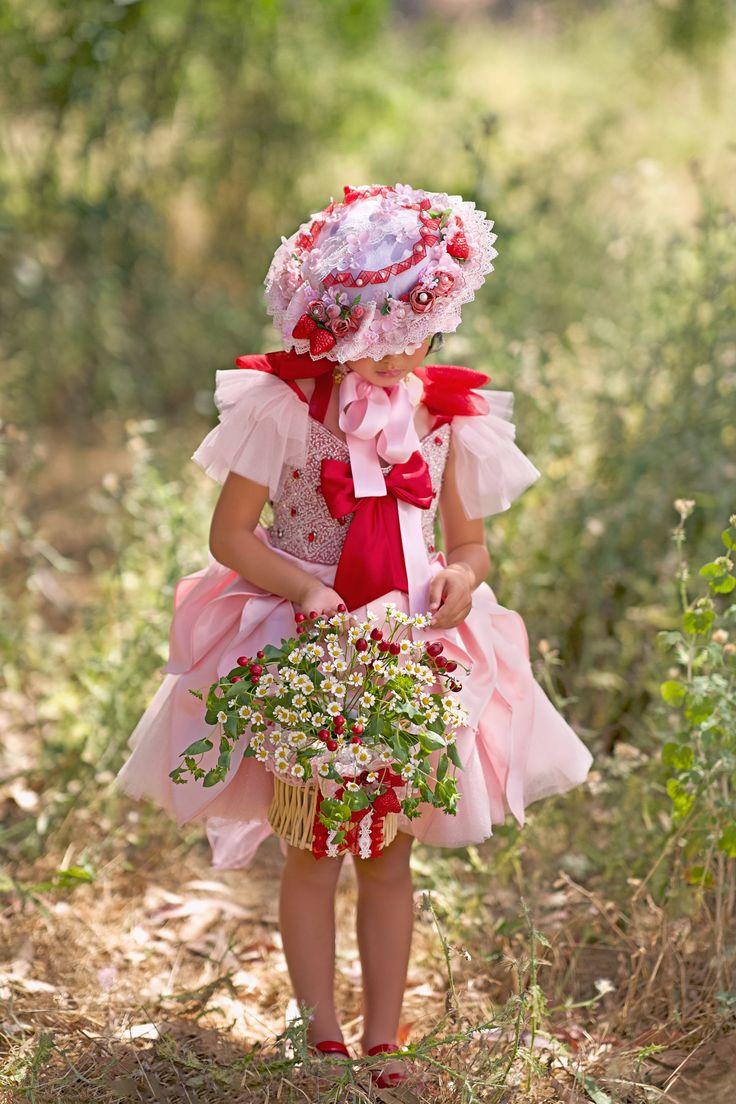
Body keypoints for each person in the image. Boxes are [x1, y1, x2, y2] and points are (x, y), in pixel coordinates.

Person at [115, 182, 593, 1088]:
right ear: (333, 331)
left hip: (409, 650)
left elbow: (469, 542)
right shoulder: (284, 411)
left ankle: (383, 1035)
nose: (398, 357)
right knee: (312, 845)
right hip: (309, 647)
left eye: (415, 337)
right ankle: (321, 1030)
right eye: (376, 341)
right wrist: (304, 586)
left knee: (389, 850)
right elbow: (231, 536)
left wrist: (463, 576)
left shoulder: (448, 416)